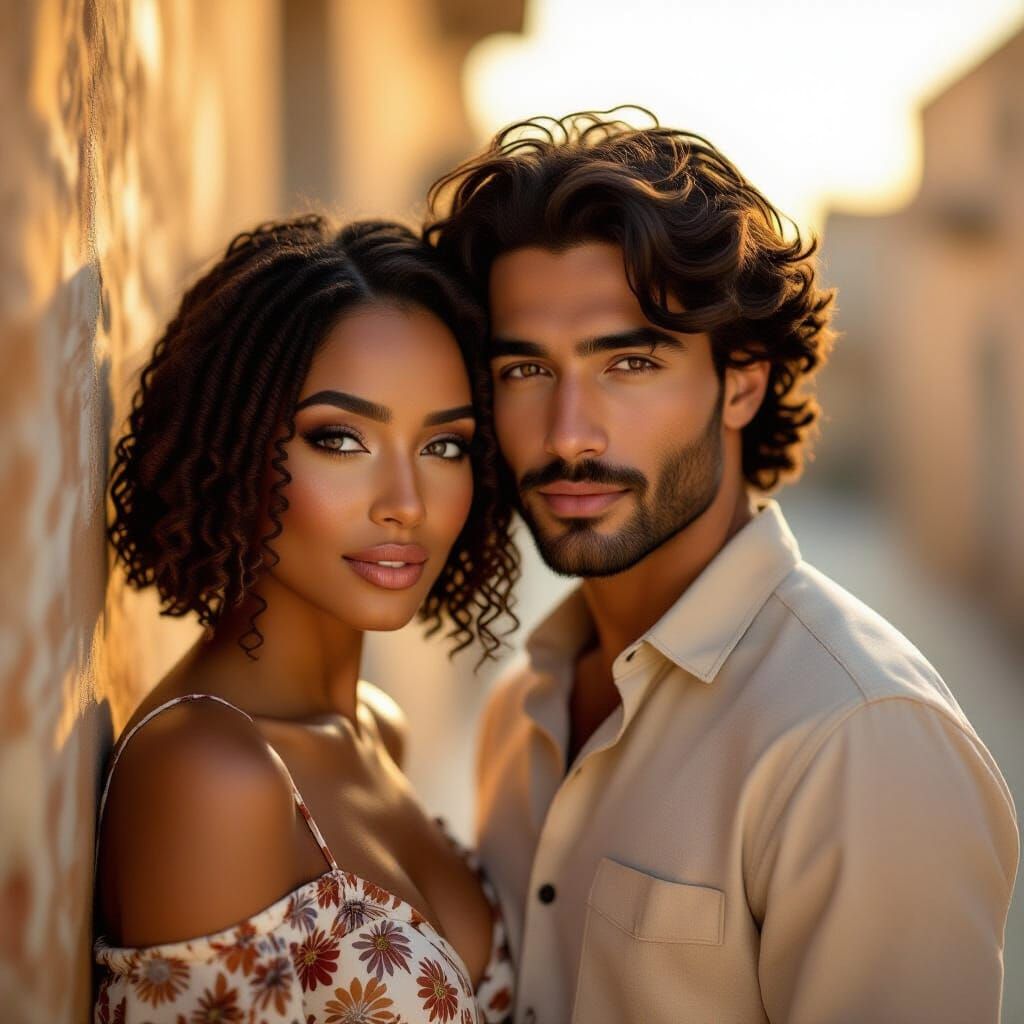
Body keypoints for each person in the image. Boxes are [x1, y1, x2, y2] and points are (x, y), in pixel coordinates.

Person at [425, 111, 1020, 1023]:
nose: (569, 434)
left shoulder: (858, 740)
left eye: (628, 362)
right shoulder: (522, 710)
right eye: (526, 371)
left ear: (742, 380)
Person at [93, 216, 517, 1023]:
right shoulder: (208, 774)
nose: (406, 503)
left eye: (444, 446)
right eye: (341, 439)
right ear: (234, 444)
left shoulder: (375, 729)